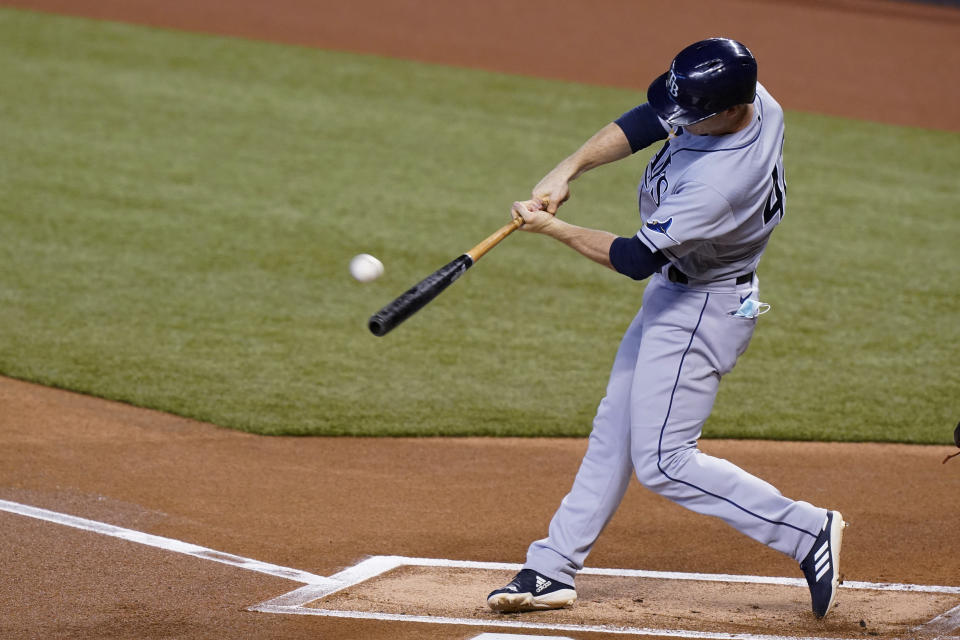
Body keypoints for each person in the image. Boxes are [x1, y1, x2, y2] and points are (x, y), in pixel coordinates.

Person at [486, 38, 845, 620]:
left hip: (703, 308)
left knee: (663, 460)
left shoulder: (722, 183)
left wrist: (552, 228)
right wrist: (567, 166)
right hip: (683, 290)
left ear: (731, 111)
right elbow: (649, 118)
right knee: (615, 431)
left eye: (693, 116)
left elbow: (632, 259)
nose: (679, 122)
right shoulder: (748, 97)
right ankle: (553, 568)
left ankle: (806, 530)